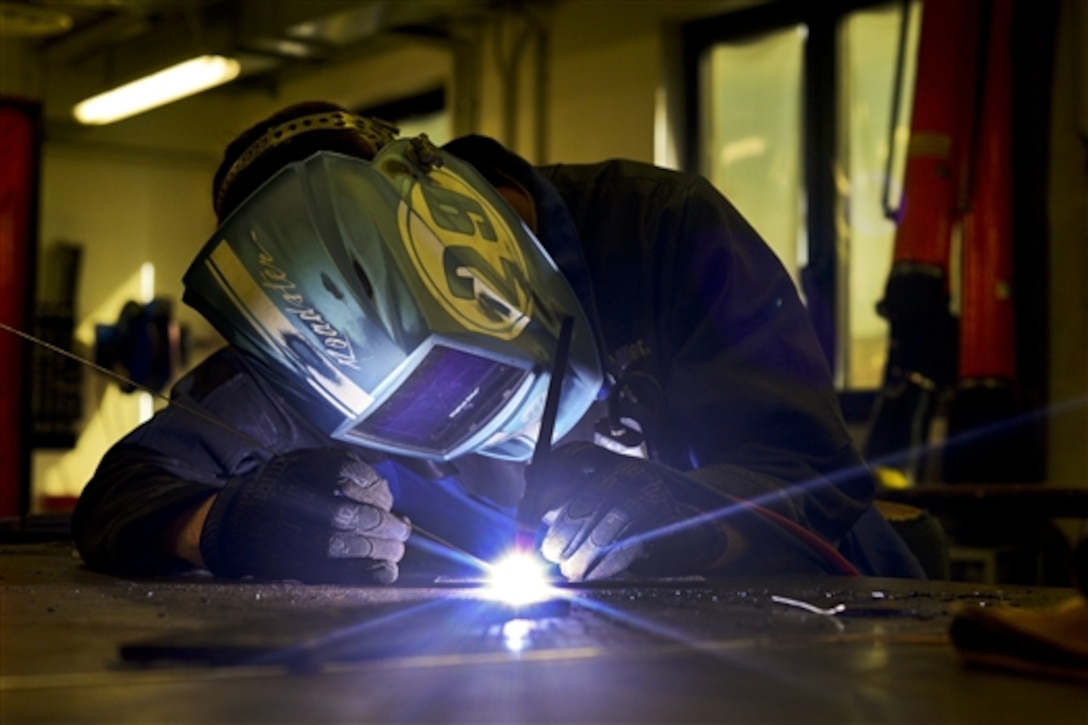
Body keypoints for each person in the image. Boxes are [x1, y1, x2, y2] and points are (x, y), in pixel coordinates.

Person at [72, 100, 925, 585]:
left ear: (452, 209)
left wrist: (687, 520)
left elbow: (811, 472)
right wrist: (224, 523)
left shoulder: (664, 232)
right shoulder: (308, 352)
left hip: (835, 618)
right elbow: (132, 485)